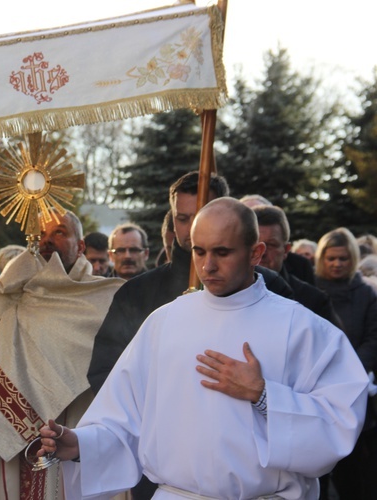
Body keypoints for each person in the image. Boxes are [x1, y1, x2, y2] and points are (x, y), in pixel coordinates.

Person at [40, 197, 369, 500]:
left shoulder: (302, 329)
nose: (207, 266)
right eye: (199, 251)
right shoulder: (164, 322)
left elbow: (340, 422)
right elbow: (124, 420)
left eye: (222, 252)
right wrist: (80, 444)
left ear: (255, 253)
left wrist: (265, 395)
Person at [87, 173, 293, 500]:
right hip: (163, 472)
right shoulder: (138, 294)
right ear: (172, 223)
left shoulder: (268, 290)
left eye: (203, 212)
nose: (194, 224)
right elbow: (105, 373)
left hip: (245, 475)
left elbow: (296, 380)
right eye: (183, 218)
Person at [0, 210, 123, 500]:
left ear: (80, 246)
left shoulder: (105, 297)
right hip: (10, 442)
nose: (46, 241)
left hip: (76, 425)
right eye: (40, 234)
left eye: (59, 232)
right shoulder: (5, 295)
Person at [315, 227, 377, 500]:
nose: (337, 264)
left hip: (356, 387)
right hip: (318, 387)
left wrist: (353, 370)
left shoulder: (366, 294)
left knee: (353, 471)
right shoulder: (312, 292)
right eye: (331, 258)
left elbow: (373, 337)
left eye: (343, 258)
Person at [252, 205, 341, 325]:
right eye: (255, 244)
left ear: (286, 250)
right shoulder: (224, 294)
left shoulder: (314, 301)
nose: (262, 252)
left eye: (271, 245)